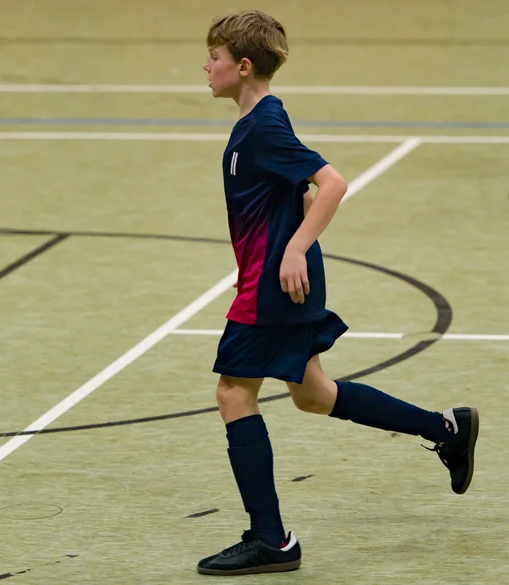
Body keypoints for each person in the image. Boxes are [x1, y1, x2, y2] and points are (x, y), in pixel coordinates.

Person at [196, 9, 479, 577]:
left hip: (277, 282)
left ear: (243, 65)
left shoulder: (265, 125)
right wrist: (276, 245)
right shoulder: (257, 122)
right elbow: (294, 194)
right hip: (274, 275)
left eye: (215, 58)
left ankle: (272, 542)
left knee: (233, 395)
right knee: (312, 393)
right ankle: (445, 428)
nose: (206, 66)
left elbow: (332, 184)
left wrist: (293, 249)